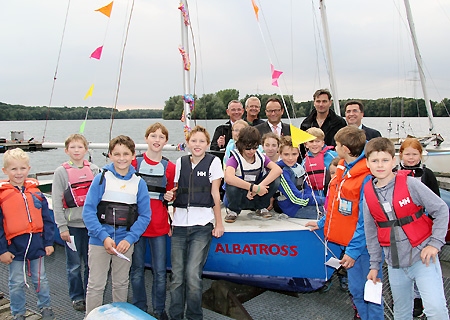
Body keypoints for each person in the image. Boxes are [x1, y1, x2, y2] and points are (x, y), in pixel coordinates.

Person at [363, 137, 449, 320]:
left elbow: (441, 209)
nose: (380, 165)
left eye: (385, 160)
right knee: (402, 312)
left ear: (393, 161)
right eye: (375, 161)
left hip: (422, 257)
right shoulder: (368, 194)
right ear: (367, 163)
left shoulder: (411, 184)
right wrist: (374, 265)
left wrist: (435, 243)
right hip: (395, 262)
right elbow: (371, 232)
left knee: (436, 309)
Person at [305, 126, 384, 320]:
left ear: (346, 149)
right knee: (357, 290)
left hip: (363, 248)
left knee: (370, 292)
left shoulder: (366, 178)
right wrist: (323, 223)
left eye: (338, 145)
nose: (335, 147)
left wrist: (353, 251)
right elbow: (336, 204)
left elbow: (367, 221)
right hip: (349, 242)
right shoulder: (343, 168)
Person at [82, 135, 151, 316]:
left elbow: (145, 216)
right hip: (99, 241)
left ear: (133, 155)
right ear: (110, 155)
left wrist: (130, 238)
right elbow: (88, 211)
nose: (122, 158)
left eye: (126, 154)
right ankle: (91, 317)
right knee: (96, 284)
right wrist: (103, 237)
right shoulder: (101, 179)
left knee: (120, 284)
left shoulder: (139, 183)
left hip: (124, 242)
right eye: (117, 154)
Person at [169, 125, 224, 320]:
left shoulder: (214, 162)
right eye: (194, 141)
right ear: (188, 143)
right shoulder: (180, 162)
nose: (197, 144)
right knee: (176, 276)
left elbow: (215, 194)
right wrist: (172, 220)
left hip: (201, 225)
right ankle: (175, 315)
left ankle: (194, 316)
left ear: (207, 144)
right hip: (180, 225)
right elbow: (177, 192)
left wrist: (219, 223)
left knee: (192, 275)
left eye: (201, 141)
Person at [0, 148, 55, 320]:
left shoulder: (36, 194)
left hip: (37, 246)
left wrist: (48, 242)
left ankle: (46, 308)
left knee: (41, 280)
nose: (18, 173)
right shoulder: (3, 196)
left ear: (28, 169)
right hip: (14, 248)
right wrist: (2, 250)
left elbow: (47, 220)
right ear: (5, 171)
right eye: (14, 169)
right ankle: (19, 313)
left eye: (22, 168)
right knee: (16, 283)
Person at [130, 123, 175, 320]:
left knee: (159, 272)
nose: (157, 140)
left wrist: (171, 199)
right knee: (137, 270)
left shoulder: (170, 168)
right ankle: (139, 307)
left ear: (166, 141)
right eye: (153, 136)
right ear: (146, 138)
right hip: (136, 227)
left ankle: (158, 309)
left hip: (159, 226)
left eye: (161, 137)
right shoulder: (134, 163)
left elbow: (174, 197)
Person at [52, 134, 99, 312]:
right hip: (72, 227)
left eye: (80, 147)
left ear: (86, 150)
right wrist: (62, 227)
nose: (77, 151)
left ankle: (90, 293)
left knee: (91, 263)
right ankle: (77, 296)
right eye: (73, 147)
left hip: (91, 227)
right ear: (66, 150)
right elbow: (57, 201)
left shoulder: (94, 170)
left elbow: (100, 198)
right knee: (74, 265)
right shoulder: (61, 172)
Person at [397, 137, 441, 317]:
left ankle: (422, 297)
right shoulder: (395, 173)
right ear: (401, 155)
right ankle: (410, 298)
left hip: (423, 226)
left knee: (423, 262)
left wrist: (433, 226)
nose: (411, 158)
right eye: (407, 154)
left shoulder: (427, 174)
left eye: (415, 154)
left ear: (420, 155)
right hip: (401, 227)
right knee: (404, 263)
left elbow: (436, 201)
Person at [224, 126, 282, 222]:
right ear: (241, 145)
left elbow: (277, 170)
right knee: (231, 184)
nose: (251, 151)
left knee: (276, 179)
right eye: (248, 148)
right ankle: (233, 210)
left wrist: (259, 187)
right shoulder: (234, 159)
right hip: (239, 196)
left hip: (256, 195)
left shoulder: (260, 156)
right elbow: (228, 177)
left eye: (254, 147)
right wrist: (252, 187)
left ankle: (261, 207)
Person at [276, 136, 324, 219]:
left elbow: (307, 188)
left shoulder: (298, 167)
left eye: (294, 154)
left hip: (304, 203)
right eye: (286, 154)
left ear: (298, 153)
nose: (290, 158)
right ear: (280, 154)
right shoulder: (280, 171)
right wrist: (322, 200)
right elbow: (295, 198)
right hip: (291, 208)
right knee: (328, 214)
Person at [302, 127, 337, 197]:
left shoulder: (333, 156)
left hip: (331, 192)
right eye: (311, 141)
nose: (314, 144)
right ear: (306, 144)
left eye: (317, 141)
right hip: (314, 196)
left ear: (322, 143)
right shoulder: (304, 162)